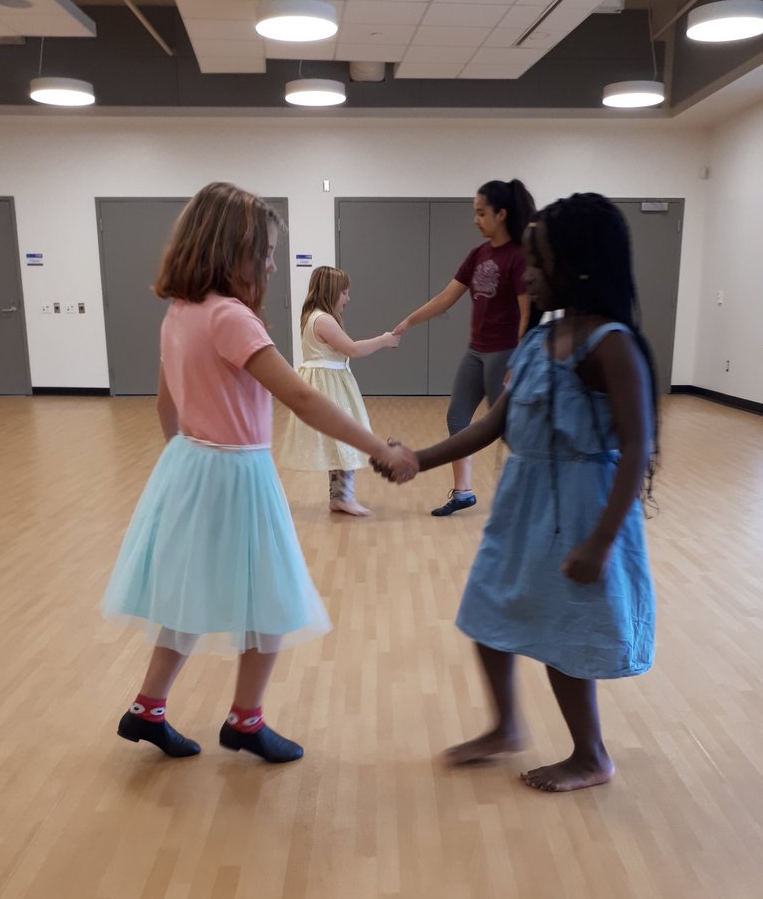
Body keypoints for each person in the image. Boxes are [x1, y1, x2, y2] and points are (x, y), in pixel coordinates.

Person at [103, 182, 416, 763]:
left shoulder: (180, 313)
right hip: (237, 472)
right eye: (265, 252)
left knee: (188, 594)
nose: (272, 264)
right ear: (232, 252)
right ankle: (245, 722)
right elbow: (302, 397)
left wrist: (186, 466)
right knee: (272, 596)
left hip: (190, 466)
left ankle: (148, 708)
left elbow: (165, 405)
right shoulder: (233, 318)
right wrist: (379, 449)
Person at [378, 193, 657, 793]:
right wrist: (417, 460)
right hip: (524, 504)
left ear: (579, 266)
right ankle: (505, 726)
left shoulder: (611, 344)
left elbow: (637, 448)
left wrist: (601, 543)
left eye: (538, 262)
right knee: (488, 608)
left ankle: (591, 755)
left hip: (580, 510)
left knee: (564, 633)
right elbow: (491, 425)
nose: (525, 275)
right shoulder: (537, 340)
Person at [392, 178, 536, 516]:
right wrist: (409, 321)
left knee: (508, 427)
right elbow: (446, 297)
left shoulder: (518, 257)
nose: (475, 220)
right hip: (476, 352)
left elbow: (527, 314)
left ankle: (532, 491)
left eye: (481, 213)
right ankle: (463, 492)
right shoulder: (478, 255)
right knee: (457, 417)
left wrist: (520, 359)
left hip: (504, 353)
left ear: (501, 214)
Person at [277, 266, 399, 516]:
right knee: (346, 438)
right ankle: (344, 496)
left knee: (339, 442)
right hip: (329, 384)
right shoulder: (323, 319)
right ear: (331, 292)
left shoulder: (312, 316)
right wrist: (384, 340)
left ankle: (339, 496)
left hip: (329, 381)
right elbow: (352, 349)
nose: (347, 299)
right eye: (344, 293)